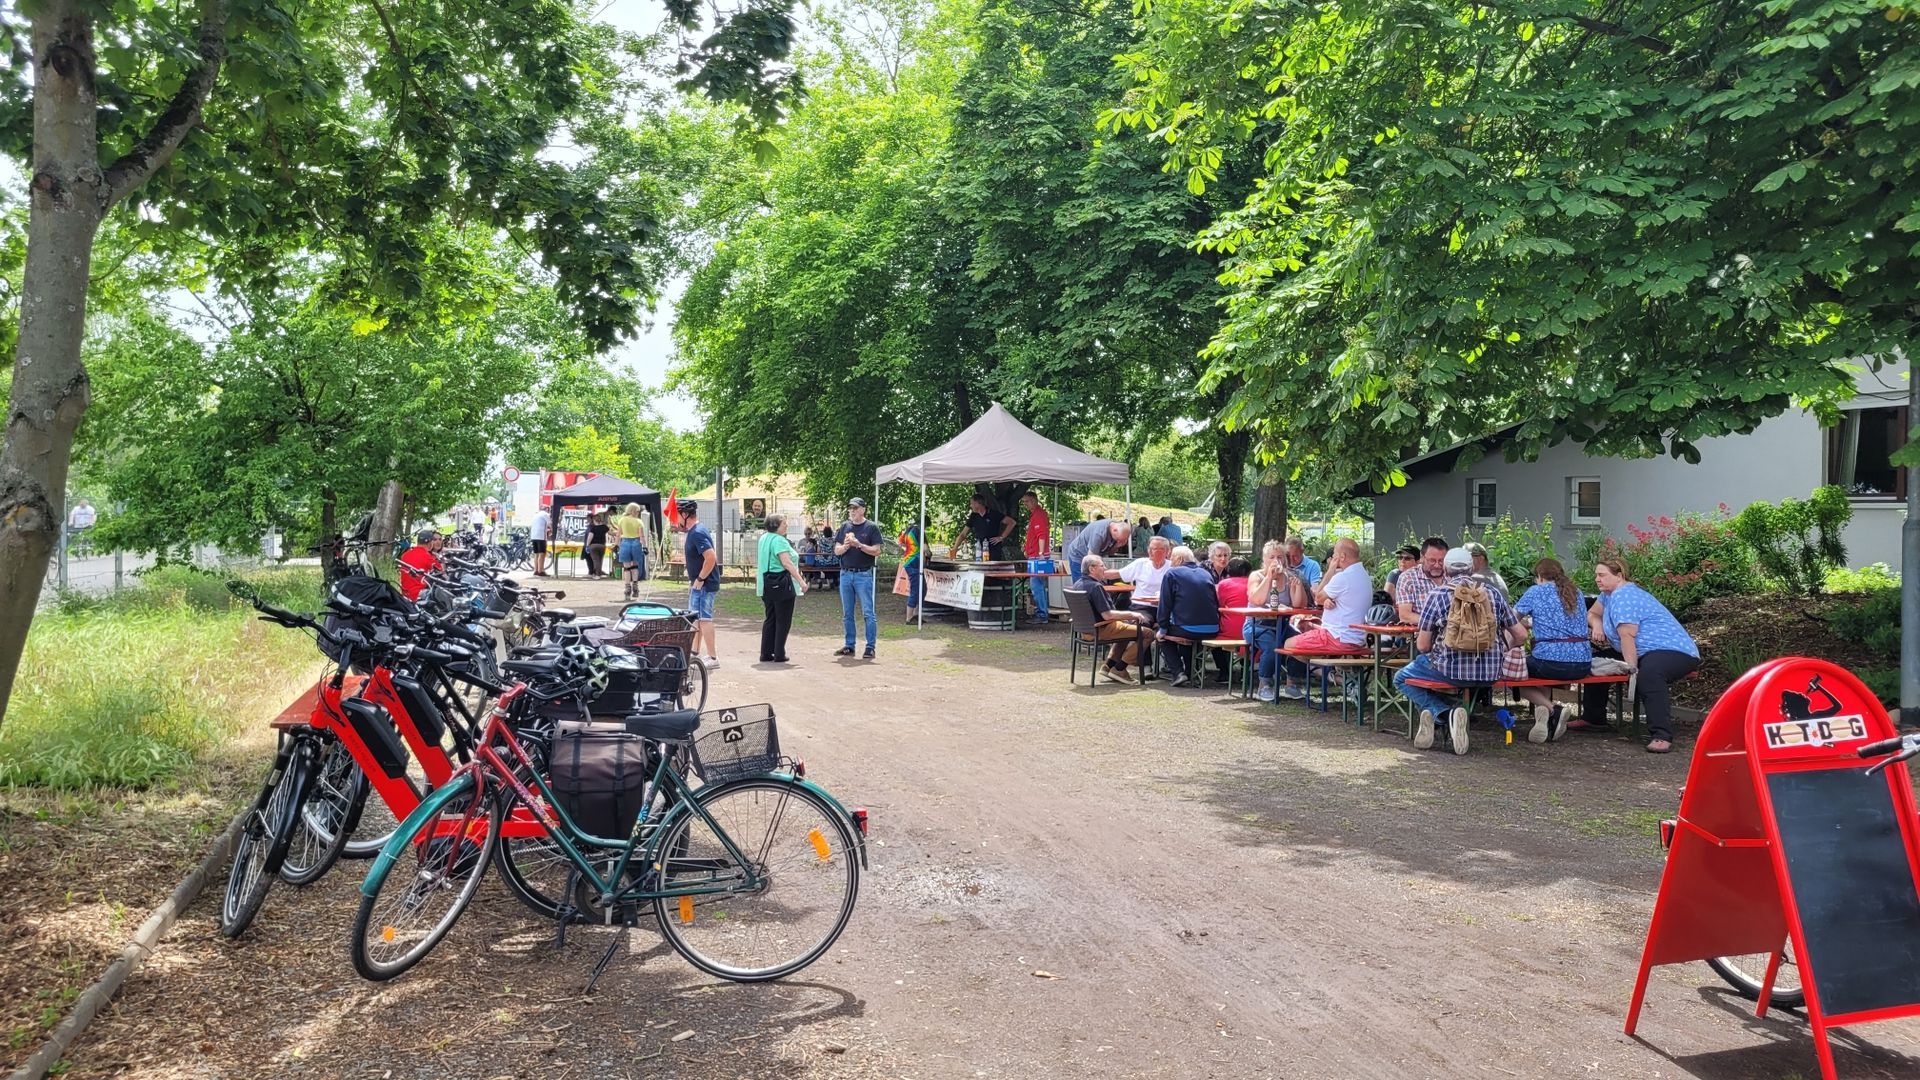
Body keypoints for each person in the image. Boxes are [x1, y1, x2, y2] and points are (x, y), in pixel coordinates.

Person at [1393, 547, 1527, 755]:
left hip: (1450, 671)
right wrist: (1502, 649)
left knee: (1402, 678)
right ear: (1472, 568)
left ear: (1446, 569)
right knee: (1433, 671)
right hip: (1490, 674)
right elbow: (1521, 635)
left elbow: (1422, 646)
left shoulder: (1437, 595)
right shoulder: (1492, 593)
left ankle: (1443, 714)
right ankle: (1447, 718)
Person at [1576, 556, 1701, 753]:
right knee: (1596, 662)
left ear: (1619, 576)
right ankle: (1593, 718)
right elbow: (1592, 613)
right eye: (1596, 575)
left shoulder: (1624, 597)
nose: (1597, 579)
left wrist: (1631, 669)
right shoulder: (1608, 594)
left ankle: (1661, 734)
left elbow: (1627, 636)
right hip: (1641, 650)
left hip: (1672, 650)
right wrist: (1597, 625)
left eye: (1602, 575)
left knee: (1650, 674)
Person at [1509, 557, 1592, 743]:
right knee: (1540, 672)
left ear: (1539, 576)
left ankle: (1552, 709)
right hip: (1582, 663)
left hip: (1551, 663)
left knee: (1512, 674)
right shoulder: (1576, 592)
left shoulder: (1535, 591)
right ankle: (1546, 722)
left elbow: (1511, 619)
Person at [1284, 538, 1374, 707]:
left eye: (1334, 555)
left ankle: (1337, 678)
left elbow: (1317, 597)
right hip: (1356, 637)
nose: (1332, 559)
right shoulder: (1364, 576)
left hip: (1336, 636)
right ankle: (1337, 674)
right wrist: (1328, 600)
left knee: (1289, 645)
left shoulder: (1343, 577)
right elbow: (1338, 599)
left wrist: (1331, 570)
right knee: (1306, 626)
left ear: (1342, 556)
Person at [1077, 553, 1153, 684]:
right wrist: (1132, 614)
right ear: (1092, 569)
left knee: (1126, 630)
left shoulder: (1078, 584)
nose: (1105, 568)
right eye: (1102, 566)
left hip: (1086, 631)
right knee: (1148, 634)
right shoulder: (1096, 587)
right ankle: (1120, 668)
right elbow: (1108, 615)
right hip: (1101, 629)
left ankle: (1108, 666)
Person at [1155, 546, 1221, 688]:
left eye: (1171, 558)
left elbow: (1165, 604)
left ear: (1179, 559)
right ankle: (1191, 673)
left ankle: (1178, 672)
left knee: (1162, 637)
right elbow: (1216, 602)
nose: (1170, 562)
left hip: (1188, 628)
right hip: (1213, 628)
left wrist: (1162, 628)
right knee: (1186, 632)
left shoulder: (1172, 574)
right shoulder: (1206, 573)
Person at [834, 497, 883, 659]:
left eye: (855, 508)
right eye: (850, 508)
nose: (852, 511)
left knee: (868, 612)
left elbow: (877, 551)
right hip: (845, 574)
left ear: (863, 509)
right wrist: (846, 546)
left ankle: (870, 647)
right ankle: (850, 645)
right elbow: (837, 550)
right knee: (847, 613)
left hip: (863, 574)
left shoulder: (871, 527)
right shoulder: (845, 527)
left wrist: (859, 545)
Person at [755, 513, 806, 663]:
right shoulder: (779, 540)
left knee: (770, 617)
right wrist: (801, 581)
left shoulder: (764, 538)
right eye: (784, 523)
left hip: (765, 583)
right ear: (776, 526)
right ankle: (779, 653)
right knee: (783, 619)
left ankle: (766, 652)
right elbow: (786, 563)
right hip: (781, 583)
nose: (787, 525)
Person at [682, 503, 720, 668]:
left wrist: (700, 578)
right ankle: (694, 653)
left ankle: (713, 657)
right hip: (699, 584)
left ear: (684, 514)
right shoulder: (695, 531)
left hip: (704, 584)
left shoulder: (697, 533)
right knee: (695, 619)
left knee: (704, 619)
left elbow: (710, 557)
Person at [1112, 536, 1174, 627]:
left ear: (1167, 551)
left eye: (1155, 549)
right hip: (1142, 607)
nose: (1150, 552)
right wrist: (1097, 573)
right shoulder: (1141, 563)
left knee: (1171, 627)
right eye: (1150, 548)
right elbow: (1118, 573)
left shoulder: (1173, 567)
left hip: (1166, 608)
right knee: (1141, 624)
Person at [1211, 556, 1254, 685]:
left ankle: (1224, 671)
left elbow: (1219, 604)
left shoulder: (1223, 584)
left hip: (1228, 629)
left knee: (1213, 639)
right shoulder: (1254, 583)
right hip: (1251, 628)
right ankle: (1245, 671)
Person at [1395, 536, 1451, 624]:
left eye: (1441, 561)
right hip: (1420, 630)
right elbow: (1405, 615)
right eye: (1432, 561)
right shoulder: (1408, 578)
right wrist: (1437, 623)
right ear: (1422, 557)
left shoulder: (1452, 576)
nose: (1437, 565)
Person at [1064, 519, 1132, 585]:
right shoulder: (1099, 534)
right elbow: (1091, 559)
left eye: (1123, 541)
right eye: (1118, 540)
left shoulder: (1117, 529)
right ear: (1114, 530)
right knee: (1082, 584)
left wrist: (1117, 546)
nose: (1119, 541)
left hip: (1092, 556)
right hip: (1078, 554)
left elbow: (1110, 553)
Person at [952, 494, 1016, 561]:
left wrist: (1002, 537)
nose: (970, 506)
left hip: (993, 550)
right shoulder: (973, 516)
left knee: (992, 566)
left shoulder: (993, 514)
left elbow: (1012, 522)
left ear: (978, 503)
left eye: (972, 503)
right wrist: (955, 548)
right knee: (979, 566)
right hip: (979, 550)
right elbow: (963, 534)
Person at [1021, 491, 1053, 622]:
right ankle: (1043, 612)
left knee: (1036, 585)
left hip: (1037, 557)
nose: (1025, 504)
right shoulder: (1037, 514)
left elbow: (1041, 535)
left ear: (1034, 500)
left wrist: (1040, 553)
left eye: (1027, 501)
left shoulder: (1038, 515)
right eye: (1024, 502)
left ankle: (1042, 614)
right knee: (1039, 585)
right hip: (1035, 555)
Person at [396, 528, 444, 602]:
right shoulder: (427, 557)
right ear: (430, 543)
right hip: (419, 594)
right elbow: (441, 571)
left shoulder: (405, 555)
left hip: (405, 595)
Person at [613, 502, 648, 601]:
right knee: (635, 566)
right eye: (638, 511)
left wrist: (616, 545)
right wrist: (644, 547)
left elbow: (618, 535)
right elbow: (642, 536)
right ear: (635, 511)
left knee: (626, 568)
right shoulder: (639, 521)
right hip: (636, 543)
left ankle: (627, 588)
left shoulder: (622, 520)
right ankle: (635, 586)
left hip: (625, 543)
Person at [583, 511, 609, 578]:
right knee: (600, 560)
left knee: (596, 560)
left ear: (594, 520)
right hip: (602, 545)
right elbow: (611, 533)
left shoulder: (593, 528)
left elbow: (590, 537)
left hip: (593, 546)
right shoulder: (604, 527)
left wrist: (587, 545)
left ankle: (597, 575)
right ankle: (599, 573)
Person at [530, 505, 552, 577]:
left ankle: (536, 570)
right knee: (542, 553)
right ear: (546, 509)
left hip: (533, 536)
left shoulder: (536, 515)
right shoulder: (545, 514)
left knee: (536, 554)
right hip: (541, 536)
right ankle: (541, 571)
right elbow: (550, 524)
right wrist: (552, 530)